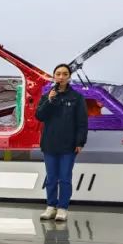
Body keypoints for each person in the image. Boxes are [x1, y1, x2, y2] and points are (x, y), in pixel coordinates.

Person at [35, 63, 88, 222]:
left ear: (69, 77)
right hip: (50, 143)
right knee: (51, 177)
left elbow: (82, 122)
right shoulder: (47, 96)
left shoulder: (77, 98)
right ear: (54, 77)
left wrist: (80, 142)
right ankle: (51, 206)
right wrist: (49, 101)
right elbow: (39, 116)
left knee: (65, 177)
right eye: (58, 74)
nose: (61, 77)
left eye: (65, 74)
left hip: (68, 145)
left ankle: (62, 208)